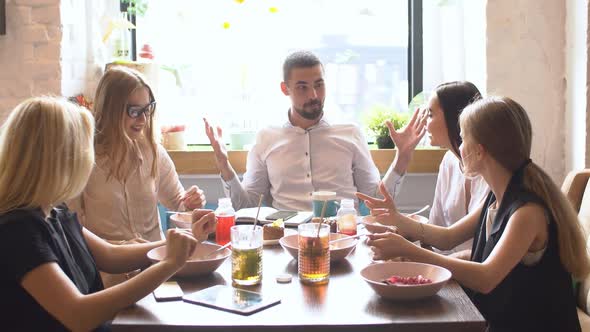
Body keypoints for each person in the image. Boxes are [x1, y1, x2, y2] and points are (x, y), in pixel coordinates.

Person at [358, 96, 589, 331]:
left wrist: (409, 250)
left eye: (463, 138)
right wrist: (397, 219)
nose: (459, 147)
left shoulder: (527, 213)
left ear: (480, 151)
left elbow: (486, 278)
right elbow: (447, 237)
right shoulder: (498, 196)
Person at [0, 97, 216, 331]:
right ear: (57, 159)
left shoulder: (54, 210)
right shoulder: (18, 230)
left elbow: (110, 255)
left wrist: (187, 241)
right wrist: (169, 263)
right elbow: (77, 315)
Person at [204, 50, 426, 211]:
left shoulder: (350, 133)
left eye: (319, 85)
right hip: (285, 238)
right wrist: (224, 165)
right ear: (285, 89)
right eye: (302, 87)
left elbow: (376, 200)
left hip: (343, 236)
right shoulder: (266, 138)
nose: (313, 95)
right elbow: (248, 206)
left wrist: (403, 157)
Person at [69, 66, 206, 244]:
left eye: (147, 109)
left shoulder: (153, 152)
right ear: (111, 110)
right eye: (134, 111)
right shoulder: (83, 159)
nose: (143, 120)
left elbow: (179, 204)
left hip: (156, 262)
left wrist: (191, 203)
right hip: (109, 269)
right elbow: (73, 230)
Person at [392, 81, 489, 256]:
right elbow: (434, 227)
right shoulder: (449, 161)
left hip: (469, 271)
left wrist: (398, 221)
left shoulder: (492, 171)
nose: (425, 123)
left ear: (455, 117)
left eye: (430, 114)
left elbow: (449, 239)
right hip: (445, 267)